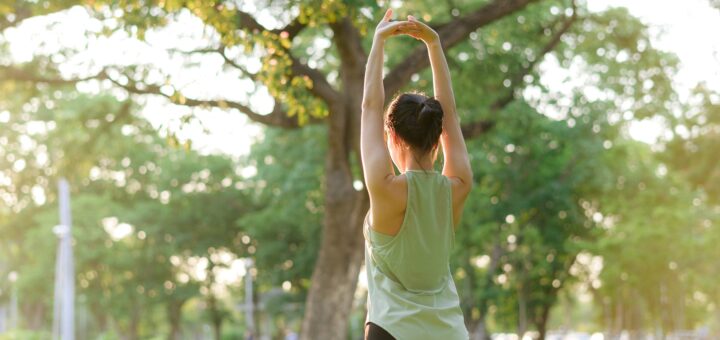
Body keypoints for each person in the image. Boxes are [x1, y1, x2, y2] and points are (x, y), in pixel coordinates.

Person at [361, 9, 473, 340]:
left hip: (390, 330)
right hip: (448, 332)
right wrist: (434, 45)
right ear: (439, 138)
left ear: (392, 138)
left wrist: (378, 42)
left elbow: (369, 107)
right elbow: (450, 113)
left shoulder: (385, 188)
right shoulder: (458, 186)